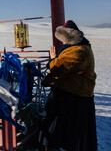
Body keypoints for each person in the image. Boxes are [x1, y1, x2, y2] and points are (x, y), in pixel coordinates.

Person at [39, 20, 97, 151]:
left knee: (64, 128)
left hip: (72, 97)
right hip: (74, 95)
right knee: (69, 129)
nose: (63, 42)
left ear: (69, 38)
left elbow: (60, 67)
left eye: (64, 39)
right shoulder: (81, 47)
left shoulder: (78, 51)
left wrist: (53, 60)